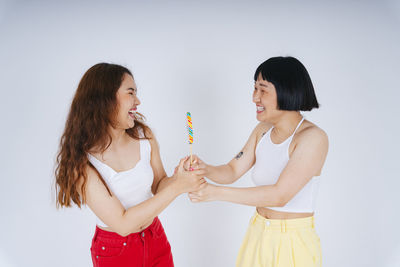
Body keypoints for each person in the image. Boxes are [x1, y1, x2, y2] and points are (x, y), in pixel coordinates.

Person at [54, 63, 205, 267]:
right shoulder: (82, 163)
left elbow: (159, 185)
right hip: (116, 251)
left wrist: (179, 179)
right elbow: (123, 224)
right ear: (105, 99)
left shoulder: (144, 136)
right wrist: (178, 187)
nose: (138, 101)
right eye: (130, 93)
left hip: (155, 237)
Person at [187, 56, 328, 267]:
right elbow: (232, 170)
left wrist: (214, 193)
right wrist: (204, 168)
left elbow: (279, 195)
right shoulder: (262, 131)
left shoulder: (313, 138)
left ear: (287, 90)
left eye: (263, 90)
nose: (255, 98)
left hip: (293, 242)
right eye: (254, 89)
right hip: (258, 232)